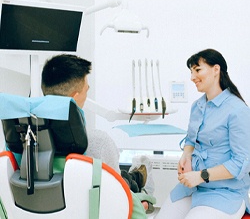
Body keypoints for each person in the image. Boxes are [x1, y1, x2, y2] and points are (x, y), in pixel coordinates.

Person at [41, 53, 154, 218]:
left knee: (124, 176)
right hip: (101, 198)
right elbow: (120, 196)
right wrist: (140, 207)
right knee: (132, 182)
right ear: (75, 97)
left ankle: (135, 174)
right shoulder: (98, 141)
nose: (87, 94)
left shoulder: (21, 142)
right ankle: (139, 174)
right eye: (87, 89)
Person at [155, 49, 250, 219]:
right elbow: (191, 139)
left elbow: (240, 163)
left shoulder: (237, 110)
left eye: (197, 70)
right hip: (193, 188)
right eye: (191, 71)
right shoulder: (197, 106)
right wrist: (186, 156)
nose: (192, 77)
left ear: (216, 70)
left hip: (224, 193)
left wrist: (201, 176)